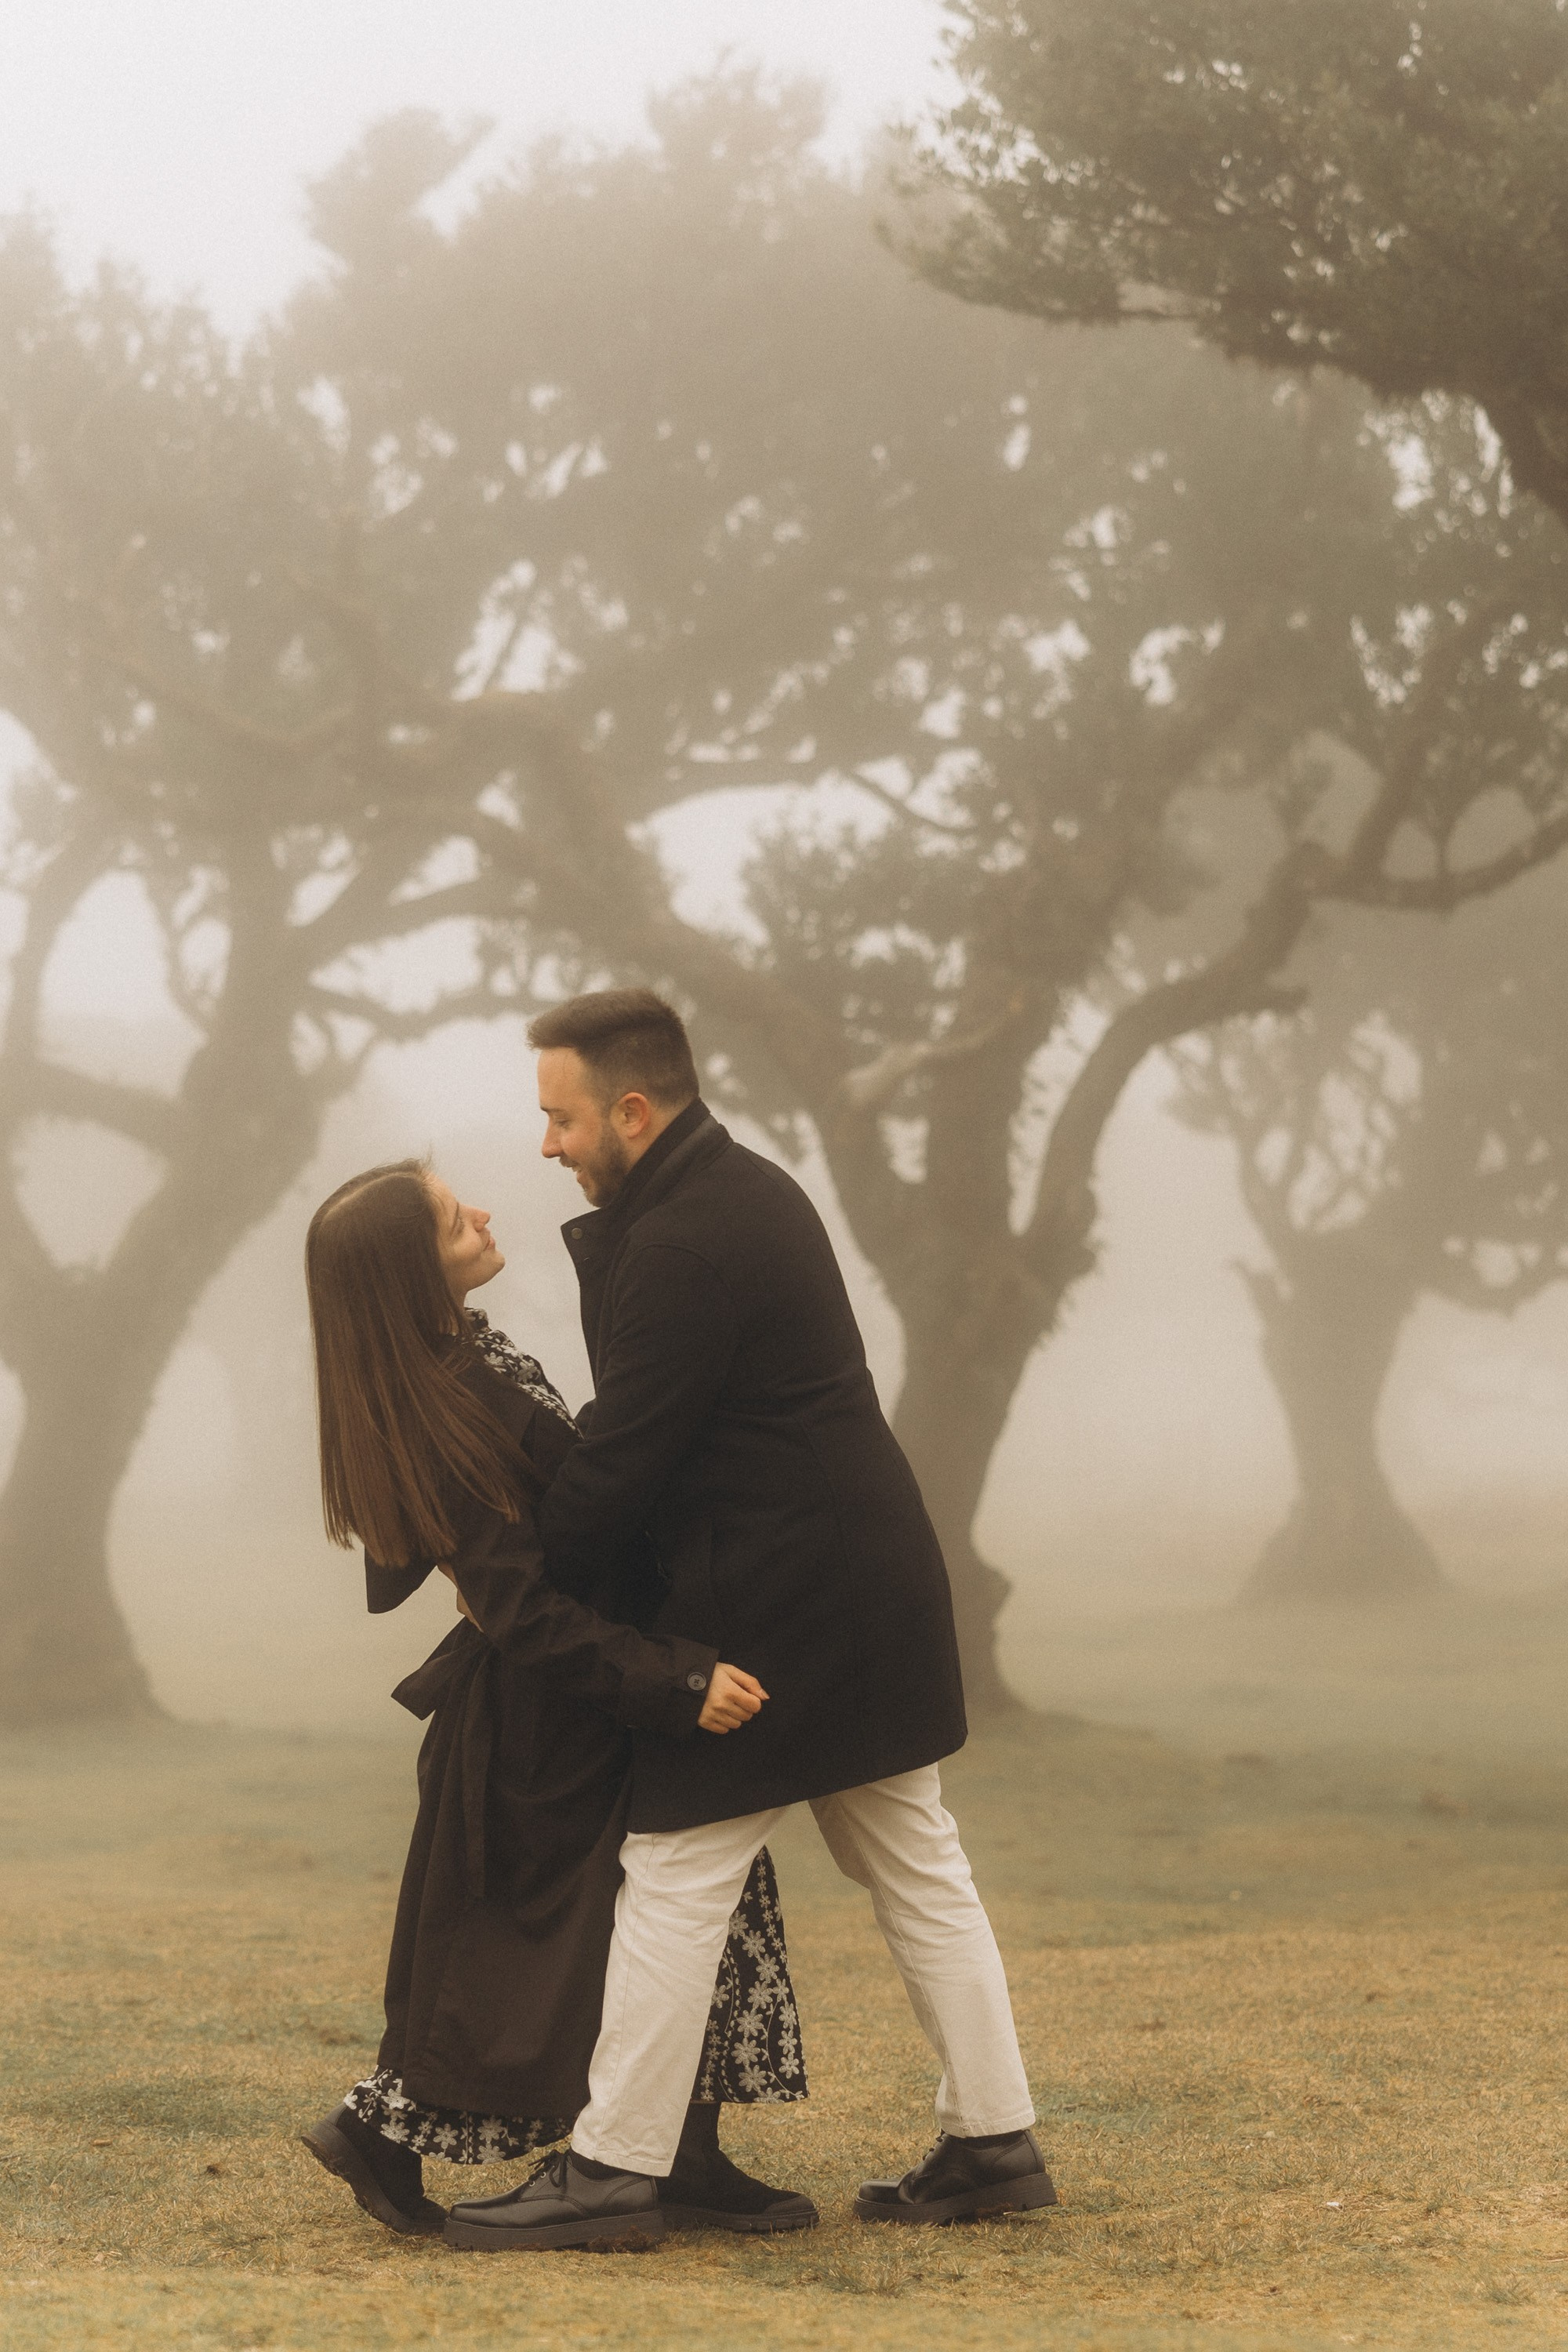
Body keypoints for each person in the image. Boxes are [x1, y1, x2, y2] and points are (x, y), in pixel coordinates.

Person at [444, 990, 1054, 2252]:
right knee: (916, 1861)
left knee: (673, 1868)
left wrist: (516, 1587)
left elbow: (621, 1468)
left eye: (560, 1119)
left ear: (632, 1107)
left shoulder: (683, 1244)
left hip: (782, 1603)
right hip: (858, 1582)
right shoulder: (742, 1193)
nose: (548, 1145)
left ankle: (612, 2172)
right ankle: (993, 2141)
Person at [297, 1158, 815, 2247]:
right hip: (553, 1721)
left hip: (602, 1692)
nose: (481, 1213)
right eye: (450, 1221)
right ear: (408, 1274)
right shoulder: (439, 1409)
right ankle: (379, 2133)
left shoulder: (467, 1351)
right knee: (524, 1959)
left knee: (697, 1910)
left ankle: (687, 2151)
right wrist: (673, 1681)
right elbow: (521, 1613)